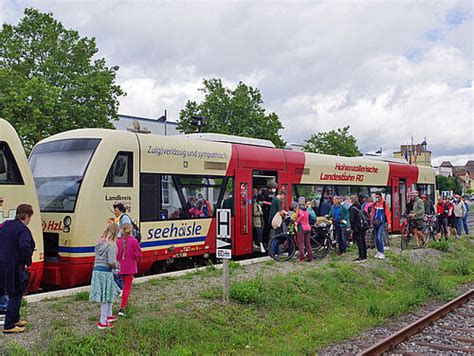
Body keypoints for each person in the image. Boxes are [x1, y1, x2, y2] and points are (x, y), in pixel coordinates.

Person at [0, 204, 36, 334]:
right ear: (26, 216)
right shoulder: (23, 230)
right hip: (14, 266)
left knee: (12, 293)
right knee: (15, 294)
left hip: (2, 264)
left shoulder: (6, 225)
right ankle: (9, 326)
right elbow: (25, 246)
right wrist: (28, 261)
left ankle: (15, 319)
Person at [89, 223, 120, 329]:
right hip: (106, 272)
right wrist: (117, 265)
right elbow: (111, 262)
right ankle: (103, 322)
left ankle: (108, 315)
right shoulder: (111, 246)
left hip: (97, 271)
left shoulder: (99, 242)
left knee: (107, 295)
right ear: (116, 233)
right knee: (106, 297)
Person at [117, 223, 142, 317]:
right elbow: (138, 254)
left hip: (120, 268)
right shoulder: (134, 241)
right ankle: (122, 307)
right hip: (130, 268)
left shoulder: (118, 241)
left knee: (124, 287)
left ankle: (125, 303)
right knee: (127, 288)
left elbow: (117, 255)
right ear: (131, 230)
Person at [370, 192, 391, 259]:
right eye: (375, 197)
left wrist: (389, 223)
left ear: (380, 196)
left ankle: (382, 252)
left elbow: (388, 214)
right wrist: (371, 221)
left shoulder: (384, 204)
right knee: (376, 238)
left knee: (379, 237)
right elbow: (372, 213)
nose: (376, 198)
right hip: (375, 222)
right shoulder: (375, 204)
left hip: (381, 223)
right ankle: (378, 251)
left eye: (377, 197)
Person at [295, 197, 314, 262]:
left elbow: (301, 216)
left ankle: (302, 258)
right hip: (308, 228)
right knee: (308, 243)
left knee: (301, 243)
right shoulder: (307, 210)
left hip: (302, 228)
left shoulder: (300, 210)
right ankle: (310, 257)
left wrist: (296, 222)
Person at [349, 195, 367, 262]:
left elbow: (352, 220)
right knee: (363, 241)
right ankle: (364, 256)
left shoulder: (353, 208)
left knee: (359, 242)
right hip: (362, 226)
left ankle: (361, 257)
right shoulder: (360, 206)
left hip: (357, 227)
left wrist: (352, 228)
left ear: (352, 201)